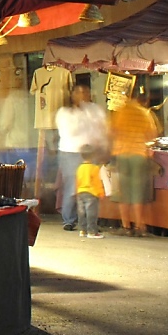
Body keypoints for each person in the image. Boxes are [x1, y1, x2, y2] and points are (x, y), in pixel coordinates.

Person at [54, 85, 108, 231]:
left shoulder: (96, 109)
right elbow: (70, 131)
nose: (82, 94)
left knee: (92, 188)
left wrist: (103, 147)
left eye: (85, 91)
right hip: (70, 152)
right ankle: (69, 220)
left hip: (93, 153)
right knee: (74, 187)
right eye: (78, 92)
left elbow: (102, 129)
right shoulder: (65, 112)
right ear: (72, 95)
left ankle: (90, 222)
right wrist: (81, 112)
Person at [110, 91, 161, 236]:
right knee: (138, 192)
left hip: (123, 154)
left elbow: (112, 132)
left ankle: (126, 226)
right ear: (141, 100)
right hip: (139, 155)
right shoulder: (145, 113)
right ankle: (140, 226)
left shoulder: (120, 113)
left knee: (124, 192)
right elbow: (152, 135)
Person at [75, 143, 105, 239]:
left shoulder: (79, 168)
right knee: (91, 213)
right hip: (91, 193)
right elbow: (97, 182)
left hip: (80, 192)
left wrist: (77, 191)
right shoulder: (94, 168)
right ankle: (92, 232)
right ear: (93, 155)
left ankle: (82, 230)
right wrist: (101, 192)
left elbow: (77, 180)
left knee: (81, 213)